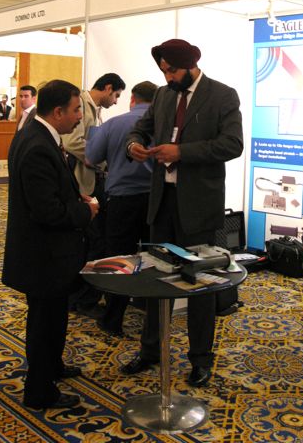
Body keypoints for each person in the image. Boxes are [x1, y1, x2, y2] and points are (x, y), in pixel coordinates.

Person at [122, 38, 243, 387]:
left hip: (198, 207)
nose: (168, 77)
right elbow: (140, 128)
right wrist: (133, 144)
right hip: (162, 203)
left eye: (172, 71)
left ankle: (200, 359)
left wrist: (181, 152)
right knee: (155, 278)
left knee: (200, 284)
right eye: (163, 71)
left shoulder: (223, 95)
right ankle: (150, 350)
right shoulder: (163, 95)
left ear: (191, 65)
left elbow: (232, 144)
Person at [2, 79, 99, 410]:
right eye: (75, 110)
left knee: (53, 318)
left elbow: (49, 192)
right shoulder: (38, 146)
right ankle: (40, 391)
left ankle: (52, 367)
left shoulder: (36, 135)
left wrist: (74, 196)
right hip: (43, 255)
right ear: (58, 112)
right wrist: (86, 211)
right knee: (44, 324)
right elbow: (47, 211)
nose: (79, 117)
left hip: (45, 254)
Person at [85, 80, 157, 336]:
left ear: (132, 99)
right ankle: (152, 317)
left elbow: (91, 158)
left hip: (122, 201)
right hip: (155, 202)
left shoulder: (114, 124)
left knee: (119, 260)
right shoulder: (164, 126)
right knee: (154, 258)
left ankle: (112, 318)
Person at [62, 73, 126, 314]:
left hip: (90, 182)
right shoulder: (81, 104)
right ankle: (81, 298)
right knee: (93, 241)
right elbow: (72, 142)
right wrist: (100, 158)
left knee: (95, 241)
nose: (116, 101)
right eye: (116, 95)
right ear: (108, 88)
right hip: (82, 184)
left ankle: (84, 296)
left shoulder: (94, 109)